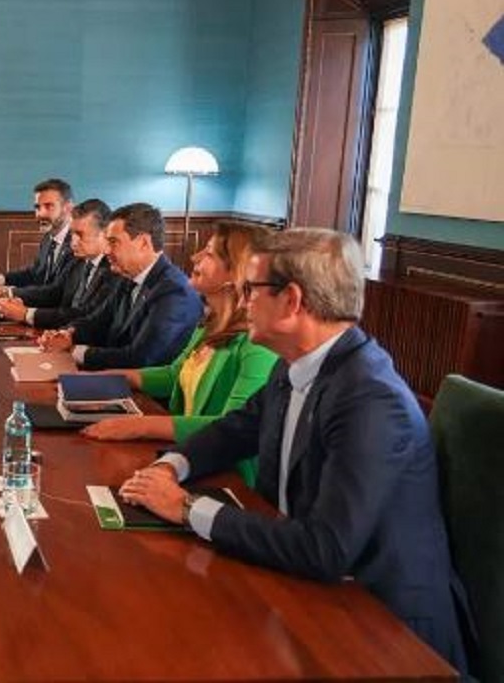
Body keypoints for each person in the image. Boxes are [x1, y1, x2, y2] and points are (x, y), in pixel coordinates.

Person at [118, 229, 468, 671]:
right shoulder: (296, 366)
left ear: (292, 301)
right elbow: (236, 429)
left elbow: (325, 548)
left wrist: (188, 509)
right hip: (301, 585)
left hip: (381, 629)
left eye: (250, 290)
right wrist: (172, 466)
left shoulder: (371, 400)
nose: (241, 303)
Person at [82, 222, 279, 486]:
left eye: (208, 254)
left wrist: (140, 426)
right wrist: (114, 377)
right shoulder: (211, 322)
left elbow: (232, 427)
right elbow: (174, 375)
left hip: (227, 478)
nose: (194, 257)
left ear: (237, 271)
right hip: (185, 457)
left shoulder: (257, 345)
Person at [39, 202, 202, 369]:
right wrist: (66, 334)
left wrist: (73, 351)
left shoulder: (174, 292)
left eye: (113, 242)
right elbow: (97, 322)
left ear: (143, 243)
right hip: (113, 377)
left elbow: (141, 358)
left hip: (141, 392)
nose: (107, 250)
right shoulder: (127, 275)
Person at [0, 199, 121, 329]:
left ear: (105, 234)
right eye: (72, 234)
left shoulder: (115, 269)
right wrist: (14, 300)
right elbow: (54, 293)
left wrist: (27, 314)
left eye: (80, 235)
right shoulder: (78, 259)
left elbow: (87, 314)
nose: (74, 242)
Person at [0, 178, 75, 303]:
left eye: (49, 206)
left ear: (68, 208)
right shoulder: (49, 238)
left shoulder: (78, 243)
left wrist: (4, 293)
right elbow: (34, 273)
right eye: (37, 207)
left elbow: (55, 292)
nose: (40, 214)